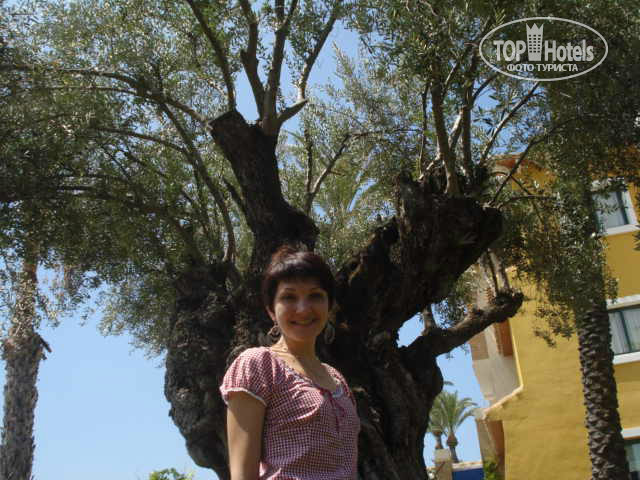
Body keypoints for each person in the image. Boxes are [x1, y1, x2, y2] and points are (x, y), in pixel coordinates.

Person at [219, 245, 360, 479]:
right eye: (289, 297)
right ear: (271, 310)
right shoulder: (259, 365)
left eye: (315, 296)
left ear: (329, 305)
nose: (303, 309)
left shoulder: (337, 380)